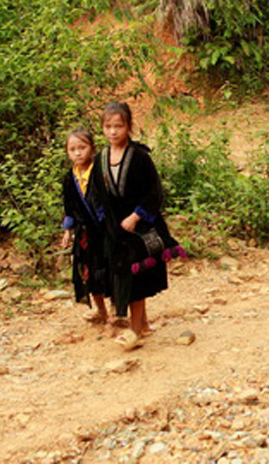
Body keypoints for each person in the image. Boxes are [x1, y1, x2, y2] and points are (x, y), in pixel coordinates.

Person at [91, 102, 184, 350]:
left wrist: (136, 216)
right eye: (108, 126)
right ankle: (141, 323)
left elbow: (154, 191)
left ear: (129, 127)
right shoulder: (99, 159)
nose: (113, 132)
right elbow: (96, 194)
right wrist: (104, 220)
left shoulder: (140, 157)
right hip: (114, 230)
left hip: (139, 227)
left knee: (136, 277)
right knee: (121, 275)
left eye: (118, 126)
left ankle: (135, 330)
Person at [61, 128, 109, 324]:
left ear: (93, 148)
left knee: (112, 269)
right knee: (88, 272)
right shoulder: (69, 178)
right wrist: (67, 231)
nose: (78, 153)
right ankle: (101, 310)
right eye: (72, 149)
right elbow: (70, 207)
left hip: (106, 229)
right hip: (85, 234)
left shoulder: (101, 172)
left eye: (82, 147)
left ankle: (119, 312)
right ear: (67, 152)